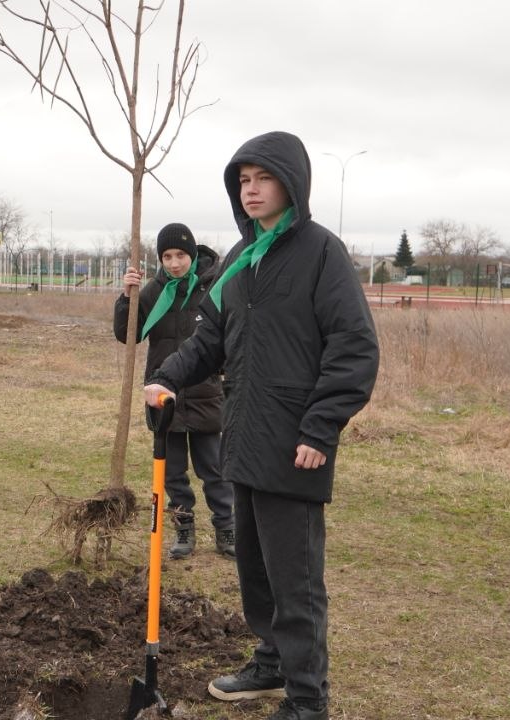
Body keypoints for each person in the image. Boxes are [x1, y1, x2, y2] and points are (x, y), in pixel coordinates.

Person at [142, 131, 379, 720]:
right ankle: (272, 662)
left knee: (295, 580)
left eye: (263, 178)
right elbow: (210, 339)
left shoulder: (322, 254)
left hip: (296, 444)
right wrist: (168, 377)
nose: (251, 190)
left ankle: (308, 699)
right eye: (243, 181)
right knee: (254, 568)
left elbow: (354, 347)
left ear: (291, 183)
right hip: (243, 435)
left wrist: (320, 429)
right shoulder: (240, 259)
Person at [113, 223, 234, 559]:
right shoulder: (153, 292)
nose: (175, 263)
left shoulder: (213, 288)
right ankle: (183, 529)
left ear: (192, 254)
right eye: (167, 256)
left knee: (214, 470)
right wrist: (127, 297)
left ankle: (227, 529)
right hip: (164, 396)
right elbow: (127, 334)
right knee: (172, 472)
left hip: (205, 393)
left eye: (181, 255)